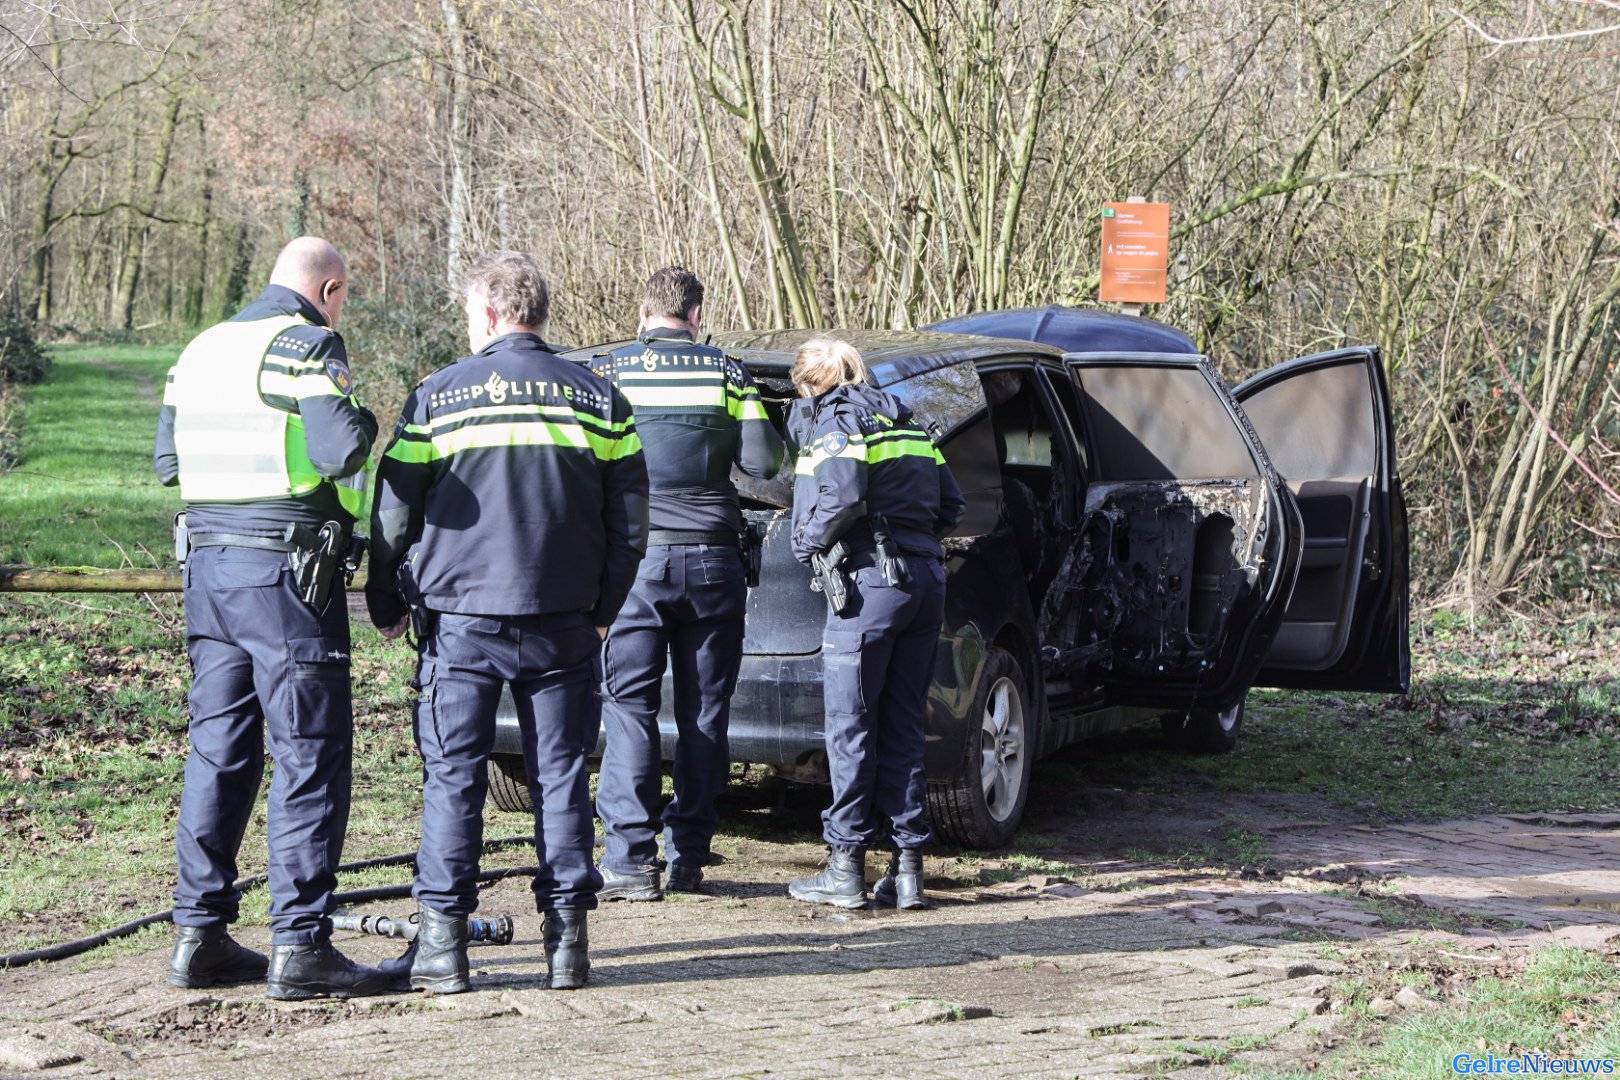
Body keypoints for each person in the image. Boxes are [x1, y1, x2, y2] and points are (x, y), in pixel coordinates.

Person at [367, 251, 647, 992]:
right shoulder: (601, 399)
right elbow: (632, 524)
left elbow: (393, 510)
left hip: (461, 619)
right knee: (561, 780)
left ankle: (443, 951)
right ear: (537, 314)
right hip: (563, 621)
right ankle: (567, 947)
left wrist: (385, 602)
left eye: (469, 315)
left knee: (454, 781)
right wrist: (604, 612)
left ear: (490, 315)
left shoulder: (437, 396)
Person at [155, 236, 389, 999]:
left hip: (208, 569)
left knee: (219, 751)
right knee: (310, 754)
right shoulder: (307, 345)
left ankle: (200, 937)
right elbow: (337, 452)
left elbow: (168, 463)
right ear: (328, 289)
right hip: (287, 575)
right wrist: (366, 415)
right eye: (344, 295)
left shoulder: (200, 349)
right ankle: (301, 944)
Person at [588, 267, 783, 900]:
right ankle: (690, 855)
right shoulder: (728, 374)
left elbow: (584, 463)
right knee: (705, 710)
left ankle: (630, 860)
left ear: (642, 314)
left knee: (629, 708)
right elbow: (763, 463)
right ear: (696, 314)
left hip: (636, 566)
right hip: (713, 564)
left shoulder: (611, 374)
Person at [783, 338, 964, 910]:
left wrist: (804, 540)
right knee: (904, 725)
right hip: (924, 583)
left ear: (811, 383)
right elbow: (952, 504)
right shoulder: (906, 420)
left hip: (869, 589)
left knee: (850, 726)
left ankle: (845, 866)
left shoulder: (836, 419)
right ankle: (907, 870)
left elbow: (843, 494)